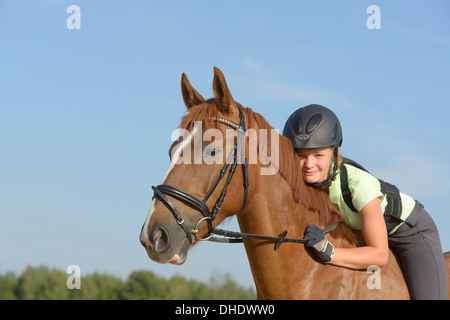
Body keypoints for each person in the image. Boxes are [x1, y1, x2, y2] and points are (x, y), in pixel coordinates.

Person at [283, 104, 447, 300]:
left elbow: (379, 255)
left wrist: (329, 251)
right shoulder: (307, 181)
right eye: (301, 155)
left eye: (318, 155)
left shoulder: (359, 185)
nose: (309, 164)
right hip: (361, 229)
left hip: (411, 232)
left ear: (334, 153)